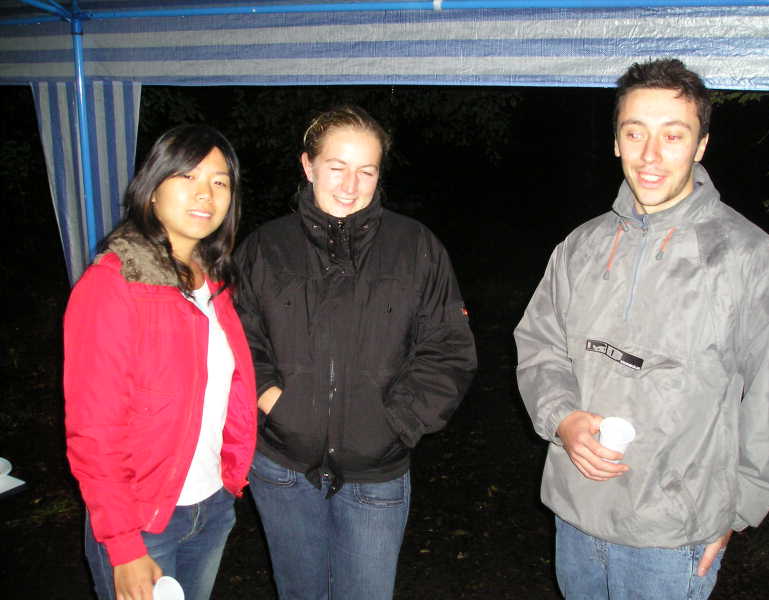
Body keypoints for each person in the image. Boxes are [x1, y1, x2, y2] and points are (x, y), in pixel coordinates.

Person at [514, 58, 769, 600]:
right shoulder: (581, 246)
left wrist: (738, 510)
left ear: (701, 145)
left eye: (673, 135)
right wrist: (563, 418)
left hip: (673, 536)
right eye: (634, 133)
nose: (650, 155)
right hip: (576, 514)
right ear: (616, 141)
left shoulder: (749, 256)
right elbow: (539, 345)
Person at [235, 105, 477, 599]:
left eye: (366, 171)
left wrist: (395, 422)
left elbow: (448, 350)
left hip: (376, 473)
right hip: (283, 467)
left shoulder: (416, 247)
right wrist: (275, 403)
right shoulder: (265, 247)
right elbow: (238, 339)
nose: (350, 185)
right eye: (336, 167)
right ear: (308, 166)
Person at [64, 125, 257, 600]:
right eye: (187, 176)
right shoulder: (112, 285)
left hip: (211, 506)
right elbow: (94, 429)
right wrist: (123, 544)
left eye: (219, 182)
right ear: (152, 189)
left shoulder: (215, 283)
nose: (205, 193)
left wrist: (229, 479)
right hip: (143, 522)